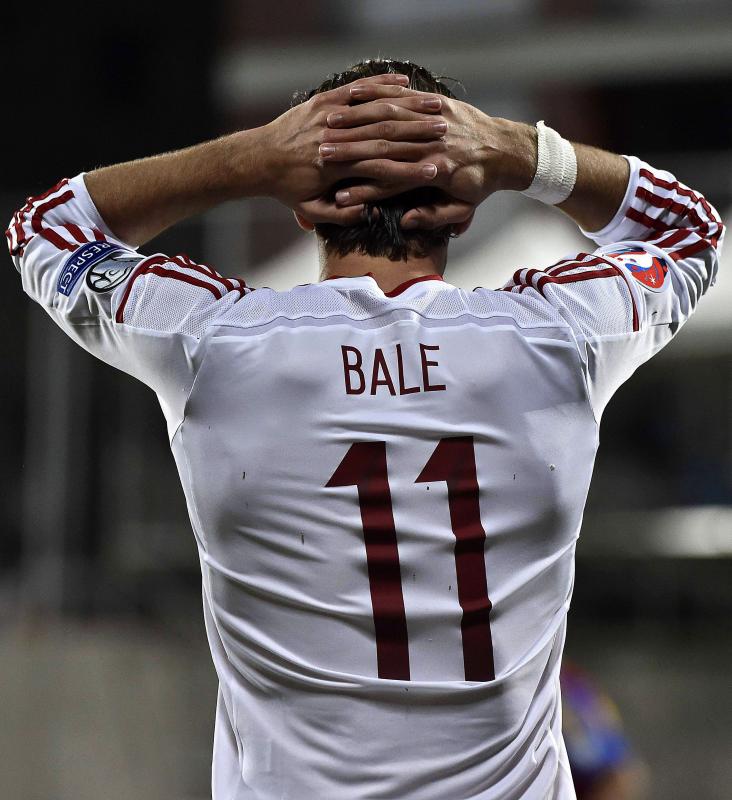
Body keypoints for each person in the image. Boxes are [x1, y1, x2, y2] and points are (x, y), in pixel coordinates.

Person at [6, 59, 723, 800]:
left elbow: (47, 230)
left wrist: (248, 158)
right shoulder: (556, 337)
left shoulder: (214, 341)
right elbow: (689, 230)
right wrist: (522, 154)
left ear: (303, 206)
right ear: (465, 203)